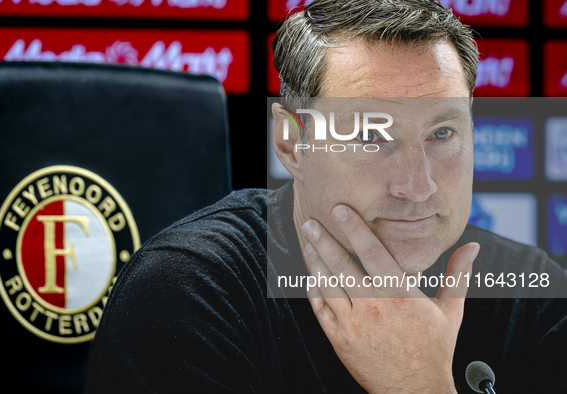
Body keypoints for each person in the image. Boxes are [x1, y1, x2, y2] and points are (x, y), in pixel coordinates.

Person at [84, 1, 567, 392]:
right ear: (291, 144)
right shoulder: (187, 291)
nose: (418, 185)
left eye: (442, 133)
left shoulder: (534, 293)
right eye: (369, 137)